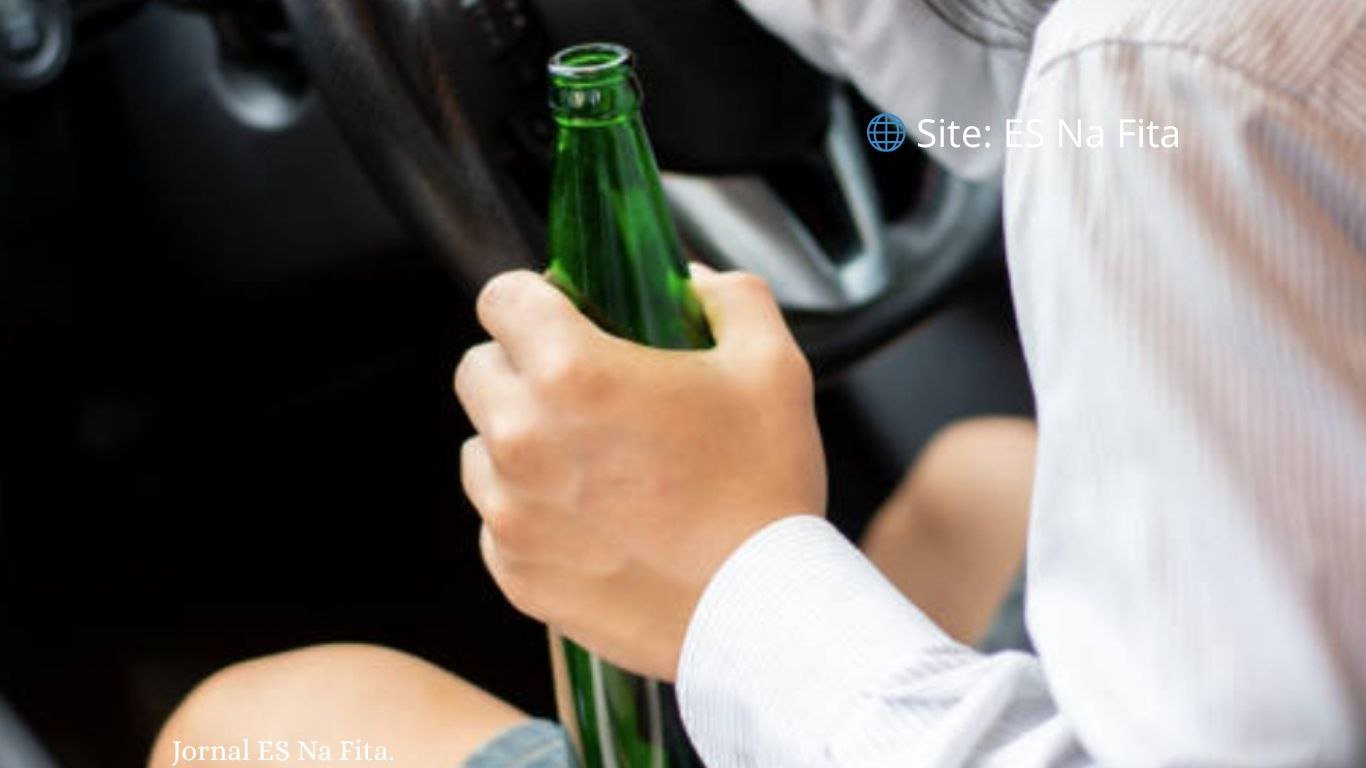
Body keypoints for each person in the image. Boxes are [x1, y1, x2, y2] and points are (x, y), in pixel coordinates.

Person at [152, 0, 1366, 765]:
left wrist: (723, 579)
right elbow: (1011, 97)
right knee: (978, 482)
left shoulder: (1168, 67)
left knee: (263, 728)